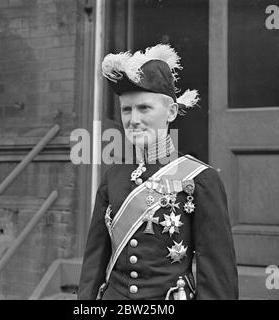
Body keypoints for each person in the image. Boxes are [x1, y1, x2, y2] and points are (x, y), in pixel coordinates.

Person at [77, 44, 238, 300]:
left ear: (171, 112)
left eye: (144, 108)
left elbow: (218, 275)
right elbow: (94, 262)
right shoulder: (113, 177)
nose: (133, 119)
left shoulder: (200, 179)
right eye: (126, 110)